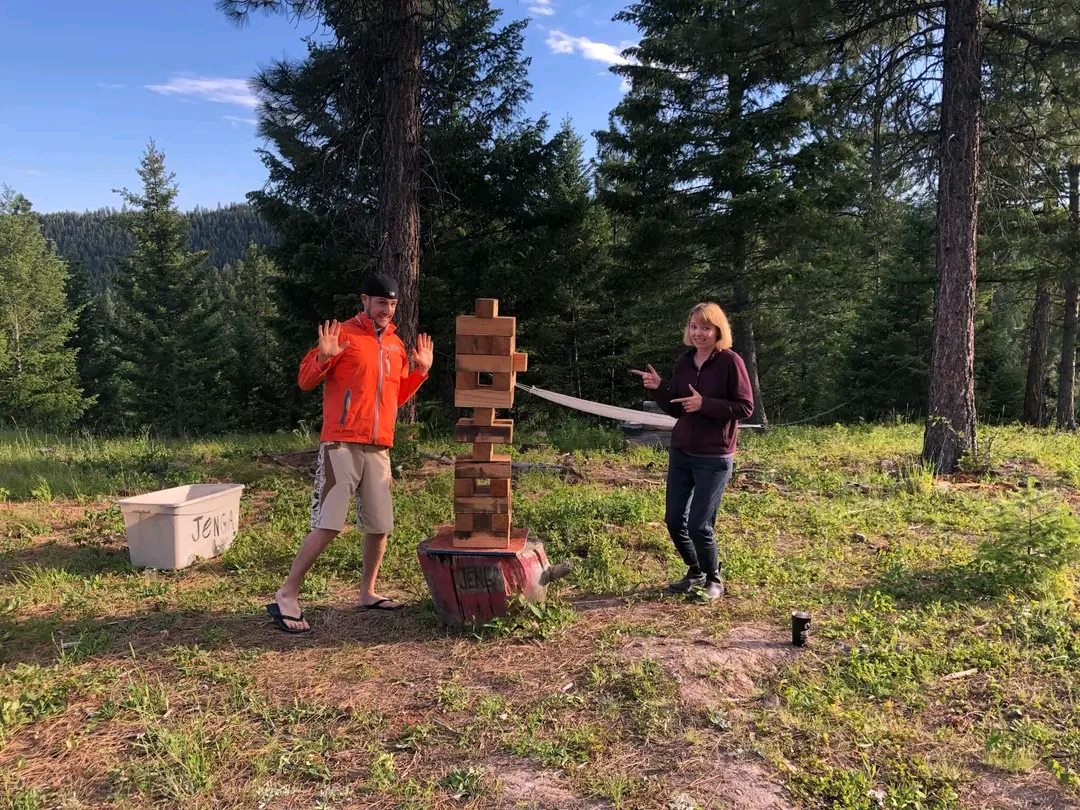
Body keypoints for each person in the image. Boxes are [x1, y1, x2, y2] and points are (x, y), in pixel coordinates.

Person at [266, 274, 434, 633]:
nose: (385, 310)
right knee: (329, 523)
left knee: (380, 526)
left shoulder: (395, 346)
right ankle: (287, 595)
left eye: (391, 305)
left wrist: (420, 371)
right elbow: (305, 381)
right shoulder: (341, 334)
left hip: (379, 446)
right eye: (379, 303)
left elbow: (396, 397)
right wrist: (323, 359)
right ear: (364, 301)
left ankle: (367, 592)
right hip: (341, 442)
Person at [632, 302, 754, 601]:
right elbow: (676, 408)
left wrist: (706, 404)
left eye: (705, 327)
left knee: (700, 524)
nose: (698, 333)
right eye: (694, 326)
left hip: (715, 455)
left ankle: (714, 578)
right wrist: (658, 387)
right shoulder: (684, 363)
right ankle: (695, 571)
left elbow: (745, 408)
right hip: (683, 451)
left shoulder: (730, 362)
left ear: (718, 330)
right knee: (674, 520)